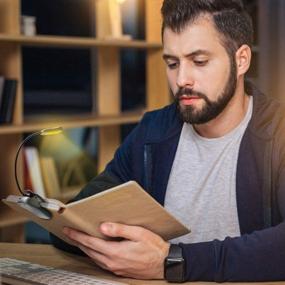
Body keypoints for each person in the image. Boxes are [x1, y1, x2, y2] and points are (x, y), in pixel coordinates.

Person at [51, 0, 285, 282]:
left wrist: (173, 261)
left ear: (241, 60)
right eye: (172, 63)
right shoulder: (153, 131)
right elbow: (77, 219)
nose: (182, 79)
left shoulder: (278, 132)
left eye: (199, 62)